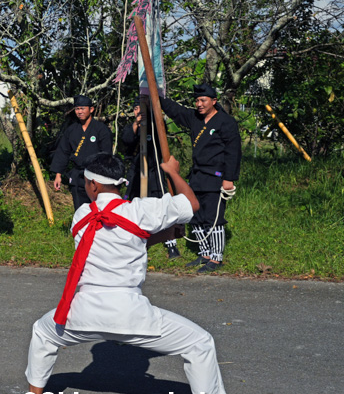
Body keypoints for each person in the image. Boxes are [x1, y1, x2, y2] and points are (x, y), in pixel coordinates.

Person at [18, 153, 232, 394]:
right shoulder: (141, 211)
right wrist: (172, 172)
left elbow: (117, 239)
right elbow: (191, 204)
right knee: (200, 343)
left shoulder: (82, 215)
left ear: (93, 186)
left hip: (82, 310)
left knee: (43, 332)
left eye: (86, 183)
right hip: (130, 312)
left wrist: (161, 235)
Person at [160, 84, 241, 273]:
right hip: (196, 176)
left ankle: (216, 257)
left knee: (213, 218)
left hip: (216, 177)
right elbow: (176, 111)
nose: (199, 104)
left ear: (214, 101)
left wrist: (229, 179)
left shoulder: (225, 122)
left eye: (203, 100)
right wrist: (157, 97)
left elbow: (233, 152)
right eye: (197, 100)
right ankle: (204, 253)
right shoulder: (195, 118)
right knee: (195, 217)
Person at [121, 103, 181, 259]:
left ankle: (171, 245)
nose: (138, 111)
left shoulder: (156, 126)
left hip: (155, 171)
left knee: (162, 205)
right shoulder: (131, 127)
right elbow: (126, 141)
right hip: (136, 171)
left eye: (140, 108)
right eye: (135, 108)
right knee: (132, 206)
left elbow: (162, 142)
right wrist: (137, 125)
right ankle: (133, 242)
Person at [50, 95, 112, 210]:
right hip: (78, 176)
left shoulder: (101, 129)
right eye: (77, 109)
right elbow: (63, 151)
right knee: (80, 209)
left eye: (82, 108)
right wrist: (58, 175)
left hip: (96, 176)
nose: (79, 112)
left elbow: (106, 154)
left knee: (99, 209)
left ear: (91, 109)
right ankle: (81, 228)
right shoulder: (71, 130)